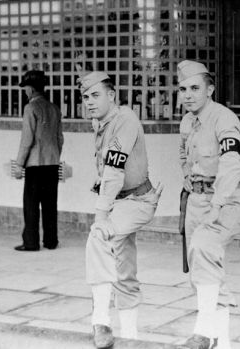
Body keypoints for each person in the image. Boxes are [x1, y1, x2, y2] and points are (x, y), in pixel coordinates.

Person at [79, 71, 163, 348]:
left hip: (137, 202)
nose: (90, 102)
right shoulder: (101, 122)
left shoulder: (125, 120)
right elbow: (110, 168)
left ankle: (100, 320)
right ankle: (131, 339)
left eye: (96, 95)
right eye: (85, 97)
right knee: (124, 270)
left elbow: (115, 167)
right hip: (122, 201)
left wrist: (101, 215)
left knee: (99, 236)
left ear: (111, 95)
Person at [176, 60, 240, 349]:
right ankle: (222, 342)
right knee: (204, 273)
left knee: (205, 247)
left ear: (210, 89)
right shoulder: (186, 121)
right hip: (196, 200)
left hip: (228, 201)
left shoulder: (224, 119)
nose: (188, 95)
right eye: (183, 89)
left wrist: (216, 207)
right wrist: (187, 178)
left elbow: (231, 167)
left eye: (195, 88)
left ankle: (204, 332)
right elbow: (184, 155)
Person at [13, 70, 64, 252]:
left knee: (31, 204)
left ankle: (31, 242)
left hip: (34, 165)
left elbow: (27, 140)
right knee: (50, 204)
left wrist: (19, 164)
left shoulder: (30, 108)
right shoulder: (54, 108)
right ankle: (51, 241)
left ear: (32, 89)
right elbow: (59, 139)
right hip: (52, 164)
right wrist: (54, 156)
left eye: (26, 88)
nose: (25, 91)